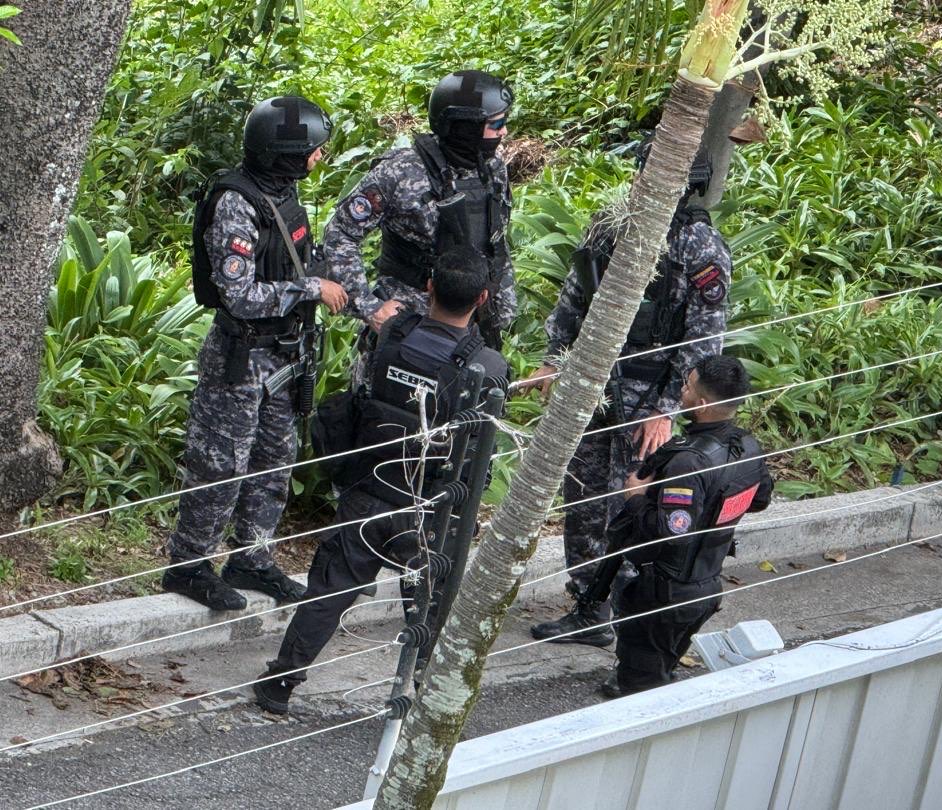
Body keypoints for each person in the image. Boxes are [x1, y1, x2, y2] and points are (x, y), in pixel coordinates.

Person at [253, 247, 508, 715]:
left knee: (329, 590)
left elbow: (361, 391)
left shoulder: (392, 333)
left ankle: (280, 685)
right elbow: (481, 450)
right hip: (432, 506)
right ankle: (429, 700)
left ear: (428, 286)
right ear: (484, 298)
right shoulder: (487, 366)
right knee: (429, 605)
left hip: (369, 491)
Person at [526, 147, 732, 646]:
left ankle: (633, 613)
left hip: (648, 399)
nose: (647, 181)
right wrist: (555, 358)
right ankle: (587, 607)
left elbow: (704, 340)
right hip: (592, 386)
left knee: (633, 508)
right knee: (582, 498)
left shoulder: (698, 247)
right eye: (645, 171)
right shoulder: (610, 225)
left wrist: (664, 411)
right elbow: (574, 298)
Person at [162, 96, 355, 611]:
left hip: (284, 356)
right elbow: (240, 295)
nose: (319, 157)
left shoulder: (282, 191)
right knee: (220, 465)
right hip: (241, 358)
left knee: (274, 461)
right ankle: (189, 565)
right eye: (313, 150)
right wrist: (311, 289)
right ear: (285, 154)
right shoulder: (236, 203)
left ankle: (252, 557)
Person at [559, 356, 772, 697]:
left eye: (687, 386)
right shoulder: (747, 446)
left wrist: (635, 496)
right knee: (661, 664)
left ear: (701, 404)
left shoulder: (689, 460)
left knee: (639, 690)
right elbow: (760, 500)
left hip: (664, 594)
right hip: (705, 585)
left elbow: (670, 532)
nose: (682, 391)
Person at [322, 70, 516, 359]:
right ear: (465, 127)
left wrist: (502, 306)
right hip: (408, 326)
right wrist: (368, 307)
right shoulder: (400, 172)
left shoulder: (491, 168)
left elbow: (493, 241)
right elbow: (340, 234)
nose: (504, 132)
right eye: (496, 124)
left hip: (472, 323)